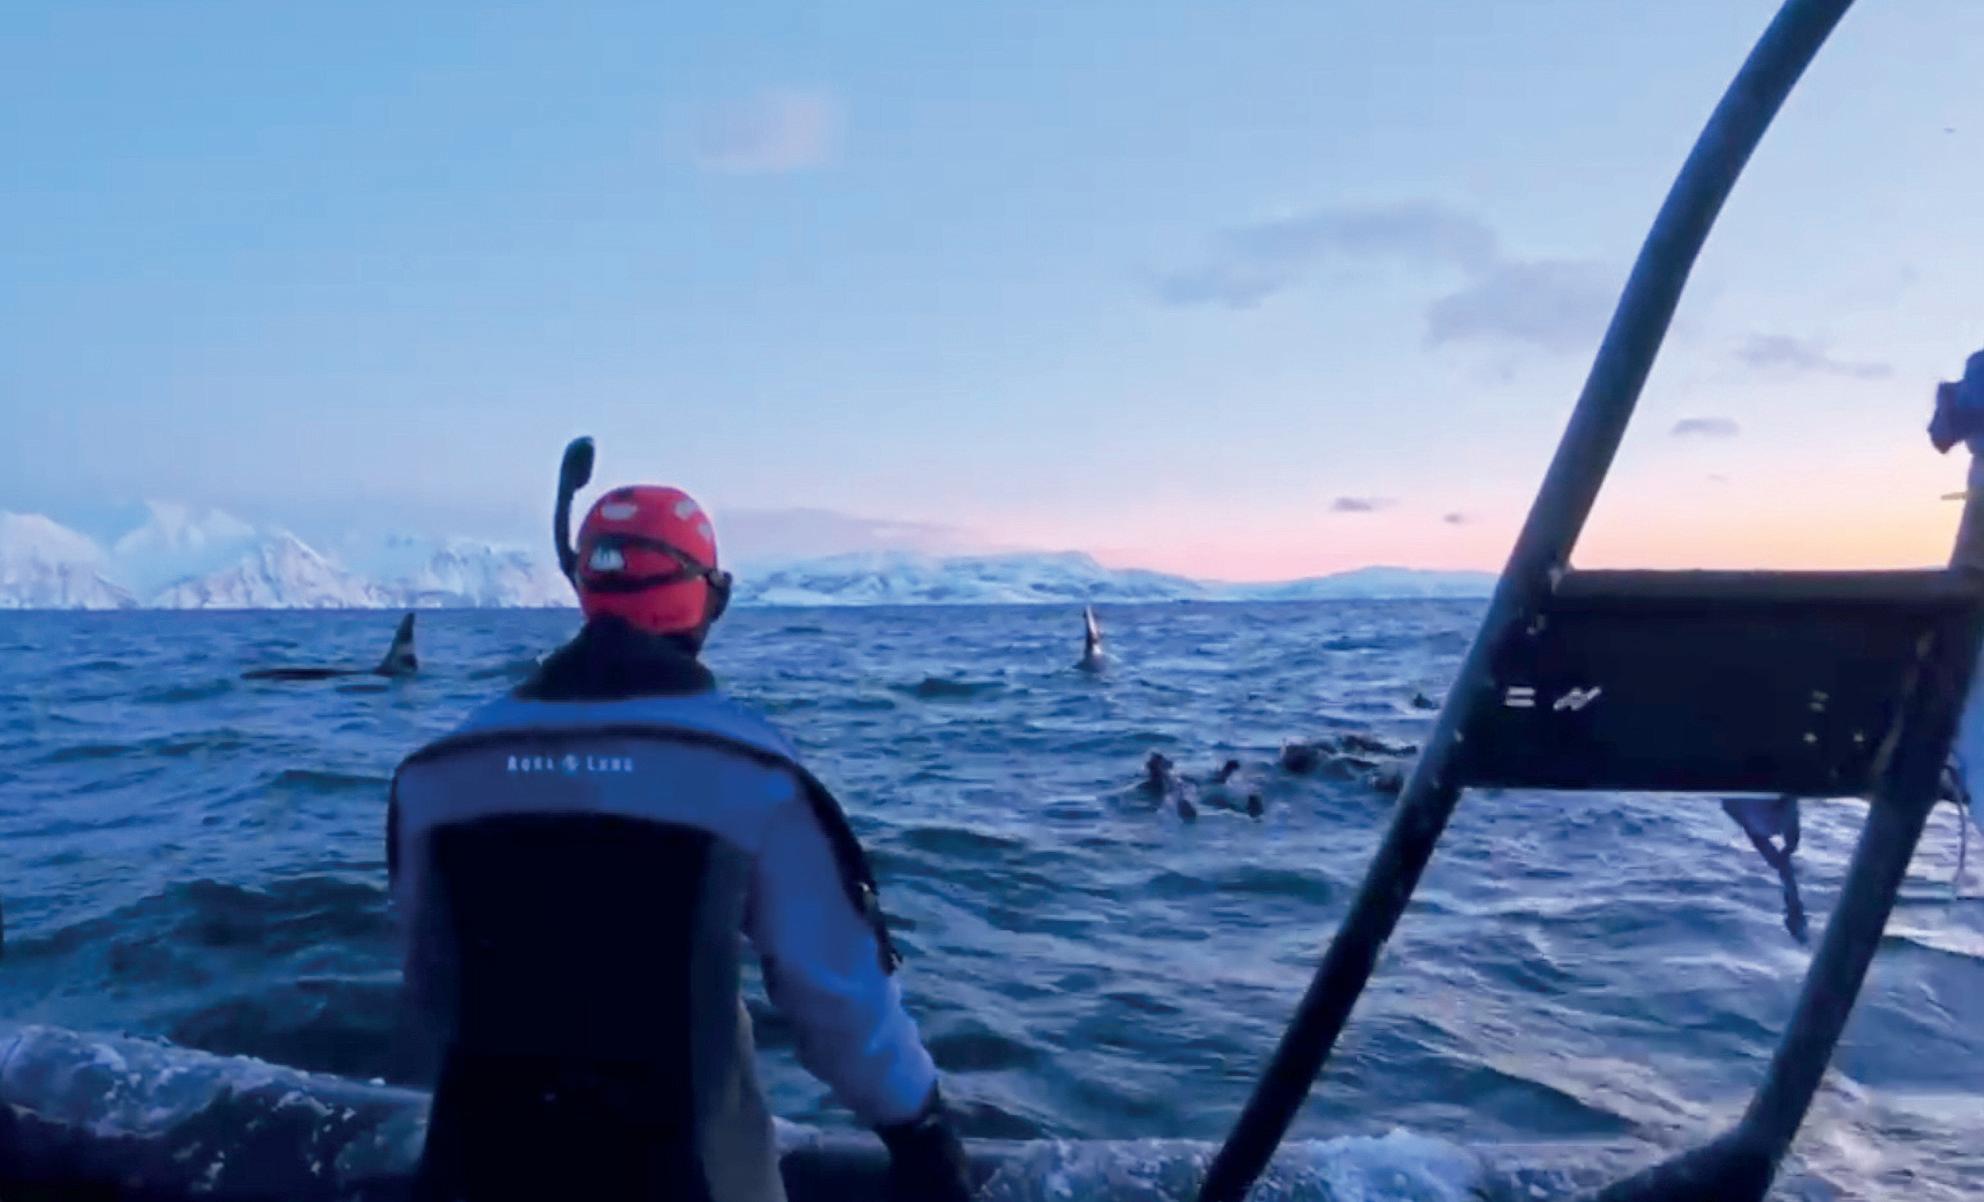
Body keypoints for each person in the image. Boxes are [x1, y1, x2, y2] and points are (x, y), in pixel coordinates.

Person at [386, 483, 972, 1202]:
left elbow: (429, 985)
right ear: (707, 599)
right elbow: (840, 1003)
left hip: (471, 1174)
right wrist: (921, 1131)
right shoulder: (752, 773)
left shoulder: (435, 773)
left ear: (585, 587)